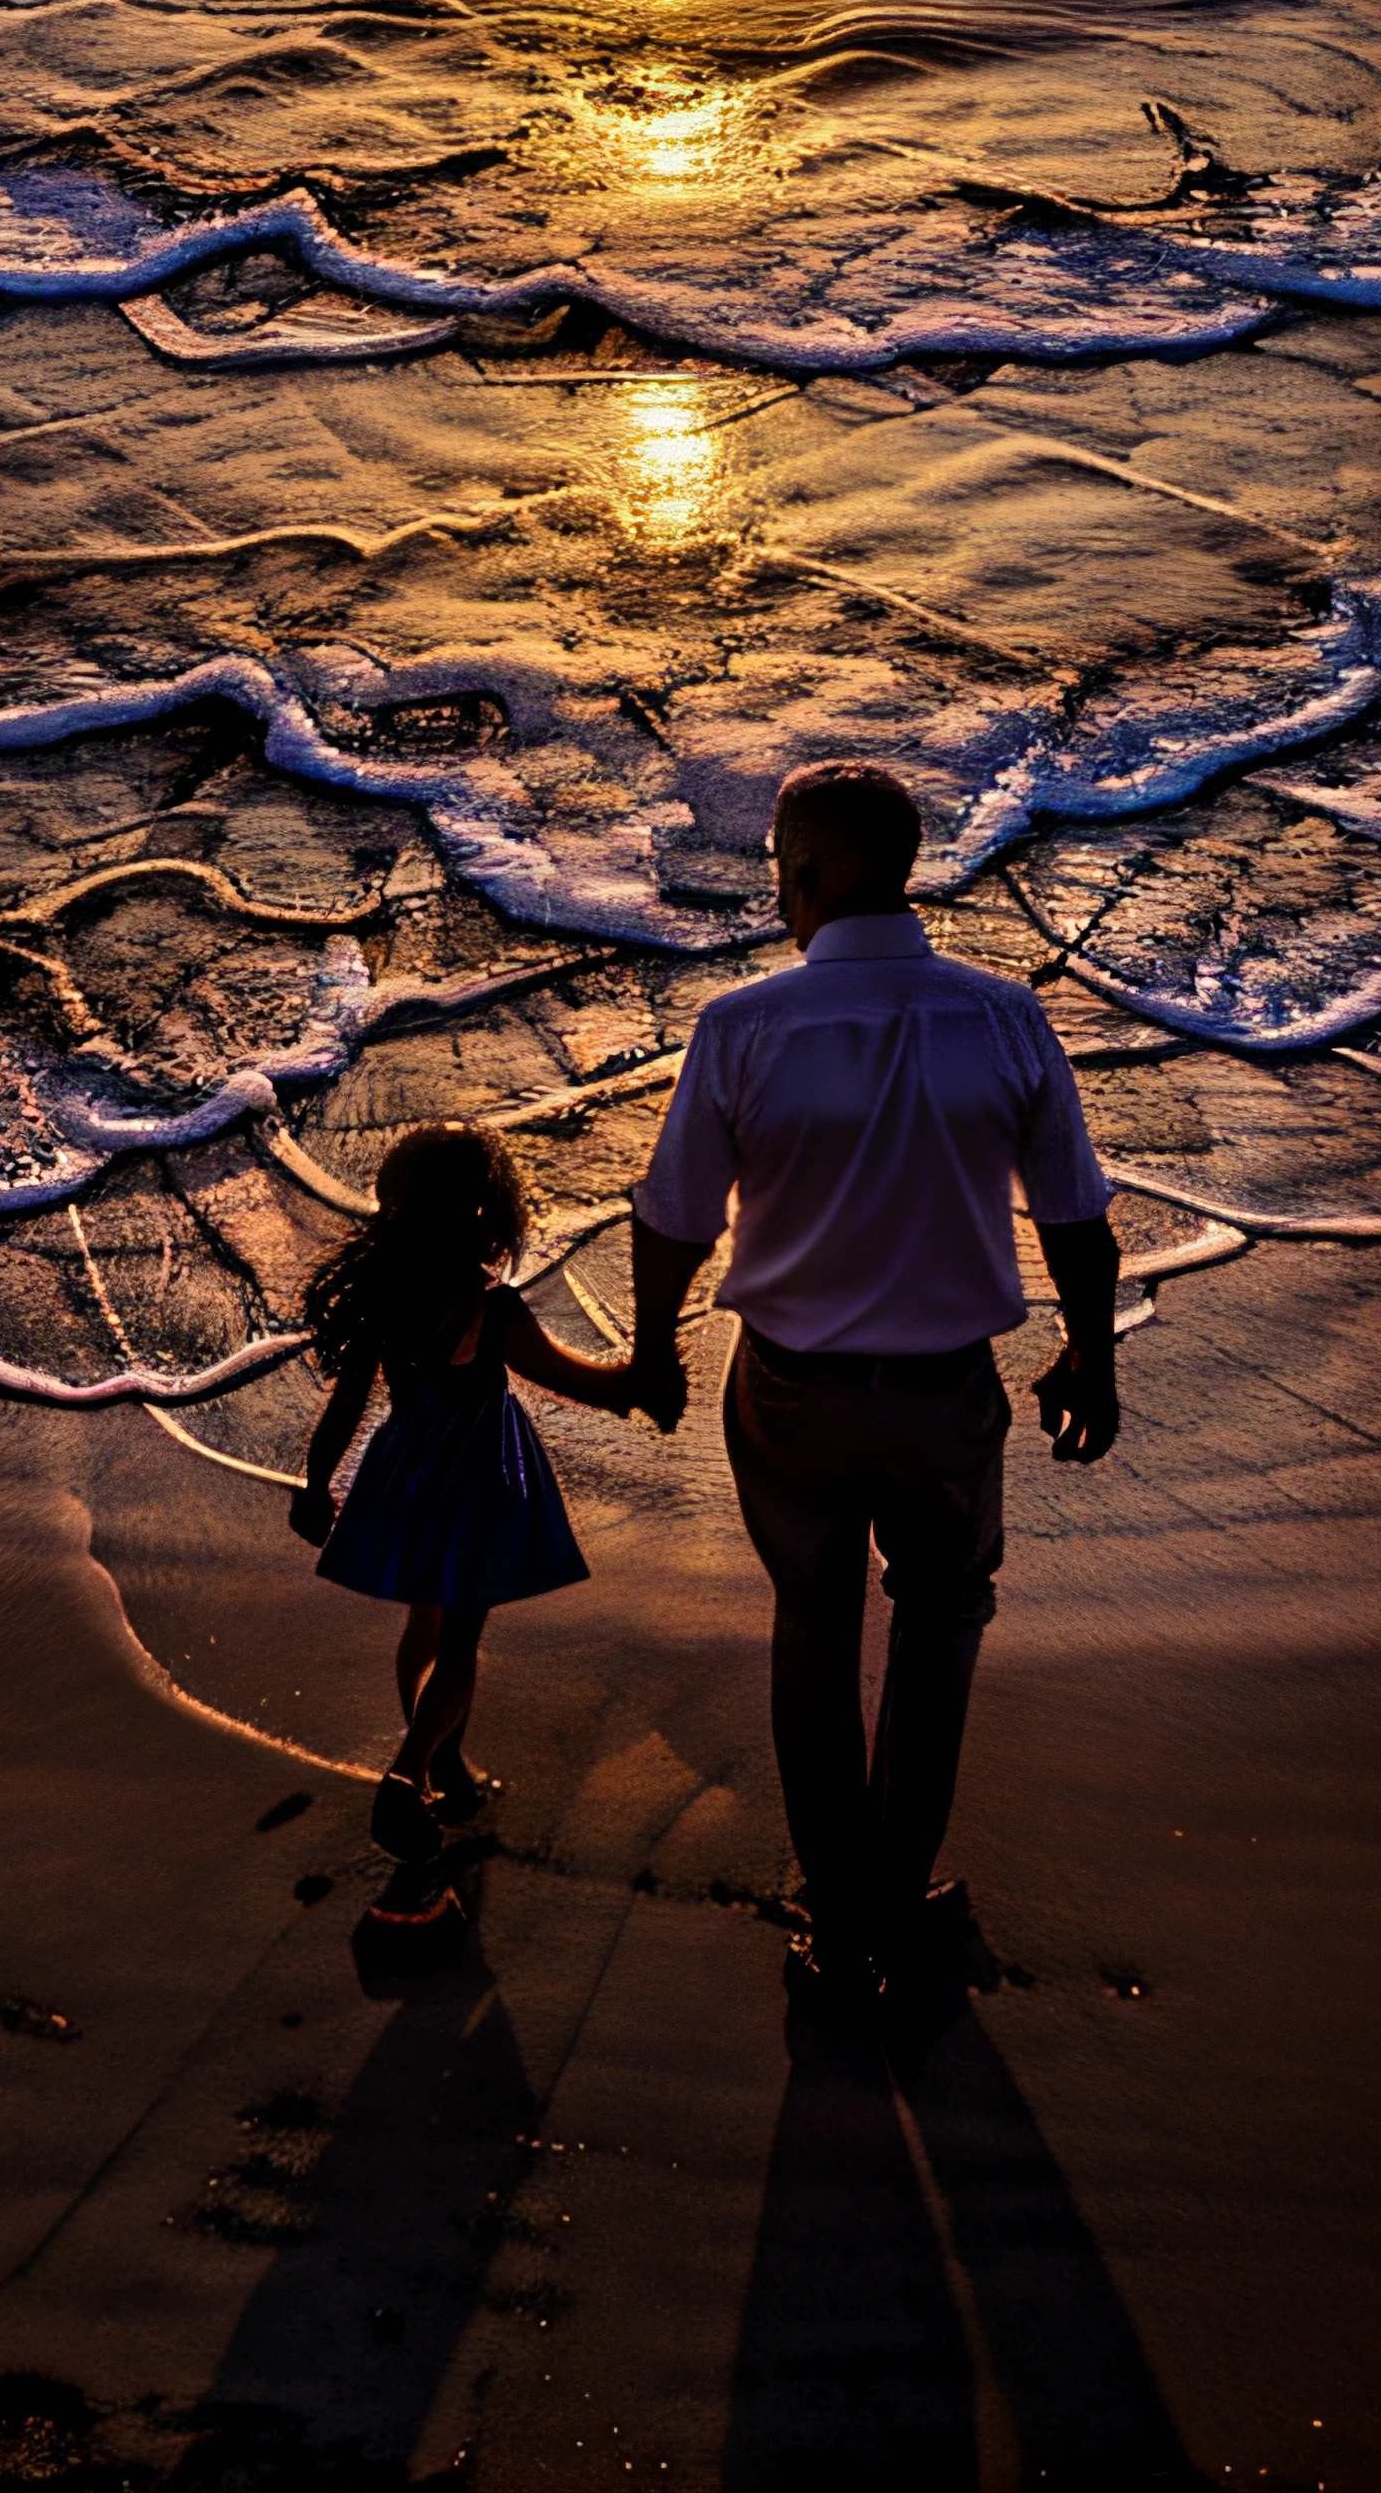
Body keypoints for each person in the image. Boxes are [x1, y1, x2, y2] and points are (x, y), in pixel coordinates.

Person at [627, 757, 1120, 2017]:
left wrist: (649, 1347)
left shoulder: (741, 1025)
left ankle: (839, 1905)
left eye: (781, 863)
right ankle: (899, 1883)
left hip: (791, 1389)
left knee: (815, 1617)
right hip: (947, 1392)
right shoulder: (1004, 1015)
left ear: (800, 874)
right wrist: (1091, 1352)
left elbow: (674, 1217)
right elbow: (1075, 1213)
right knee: (943, 1613)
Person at [290, 1123, 637, 1862]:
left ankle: (443, 1763)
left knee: (423, 1623)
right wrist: (644, 1379)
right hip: (478, 1483)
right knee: (461, 1644)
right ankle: (407, 1775)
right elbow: (575, 1382)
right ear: (484, 1210)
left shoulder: (386, 1293)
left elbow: (348, 1403)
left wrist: (316, 1482)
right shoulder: (491, 1306)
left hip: (406, 1472)